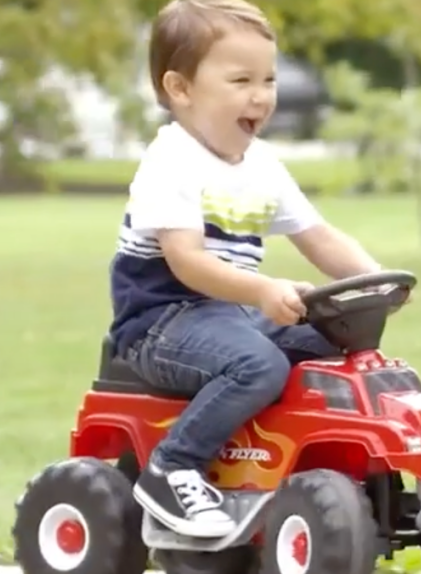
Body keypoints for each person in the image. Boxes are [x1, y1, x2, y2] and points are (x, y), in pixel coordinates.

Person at [109, 0, 385, 539]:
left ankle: (290, 460)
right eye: (240, 80)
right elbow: (186, 263)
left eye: (269, 78)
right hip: (161, 320)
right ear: (180, 89)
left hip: (228, 315)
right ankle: (174, 467)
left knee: (337, 341)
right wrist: (263, 290)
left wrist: (375, 277)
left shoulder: (261, 163)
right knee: (259, 366)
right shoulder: (171, 162)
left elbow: (319, 236)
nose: (261, 95)